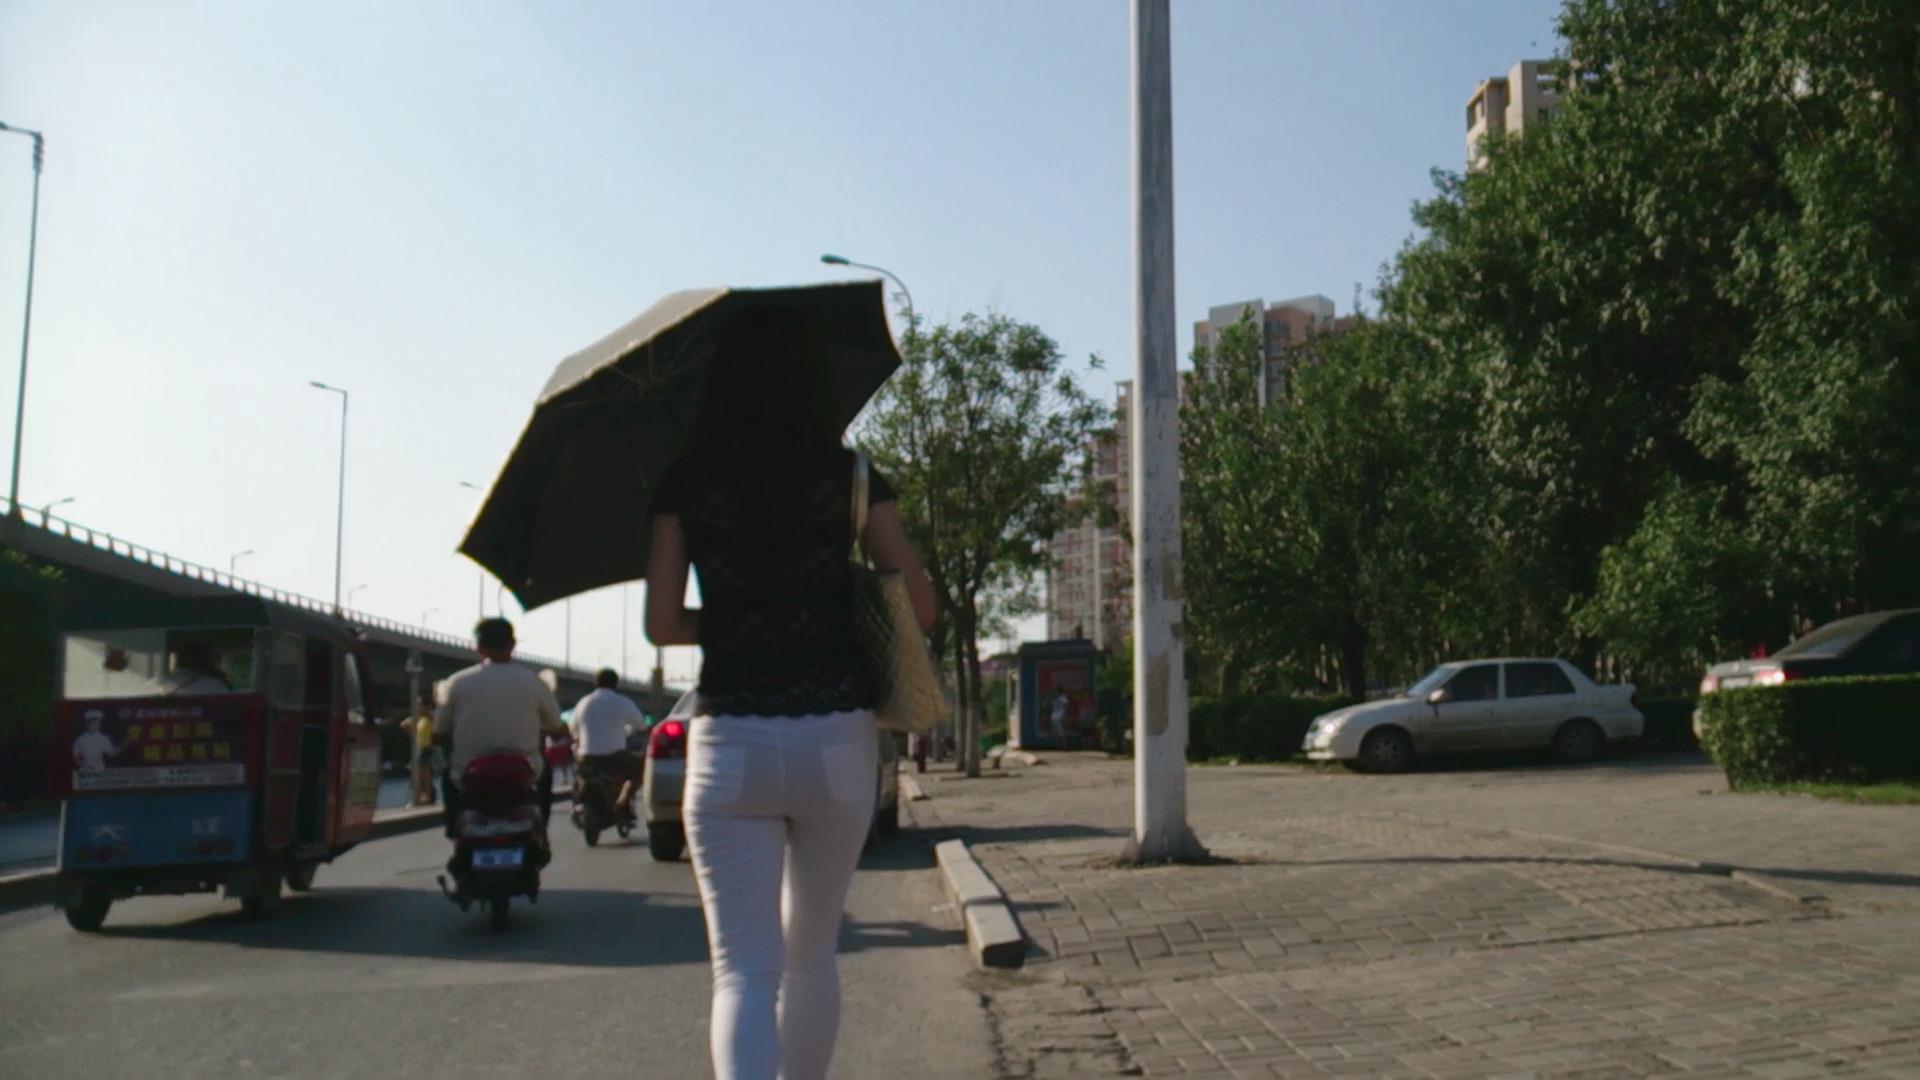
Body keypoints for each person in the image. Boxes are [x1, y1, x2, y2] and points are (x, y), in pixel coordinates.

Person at [647, 307, 937, 1080]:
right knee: (810, 957)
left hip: (731, 739)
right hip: (836, 737)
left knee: (742, 970)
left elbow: (664, 624)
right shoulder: (853, 476)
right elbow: (920, 608)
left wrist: (739, 617)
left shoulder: (685, 481)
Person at [433, 618, 566, 840]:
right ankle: (542, 831)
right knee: (546, 773)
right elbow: (555, 726)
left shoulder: (457, 682)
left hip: (469, 773)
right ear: (513, 644)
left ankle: (453, 828)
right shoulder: (535, 682)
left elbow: (439, 733)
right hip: (524, 771)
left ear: (478, 647)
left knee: (448, 774)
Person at [570, 668, 646, 820]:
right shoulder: (622, 702)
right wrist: (628, 731)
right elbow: (641, 725)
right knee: (642, 768)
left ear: (595, 683)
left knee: (578, 773)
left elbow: (573, 727)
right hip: (615, 757)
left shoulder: (583, 702)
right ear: (616, 684)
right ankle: (622, 801)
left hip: (586, 757)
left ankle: (579, 801)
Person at [401, 694, 441, 806]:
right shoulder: (419, 719)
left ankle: (424, 798)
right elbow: (403, 724)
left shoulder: (431, 717)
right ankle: (422, 797)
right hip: (421, 748)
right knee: (418, 774)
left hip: (426, 748)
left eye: (419, 705)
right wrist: (412, 732)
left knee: (423, 775)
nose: (417, 707)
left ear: (426, 706)